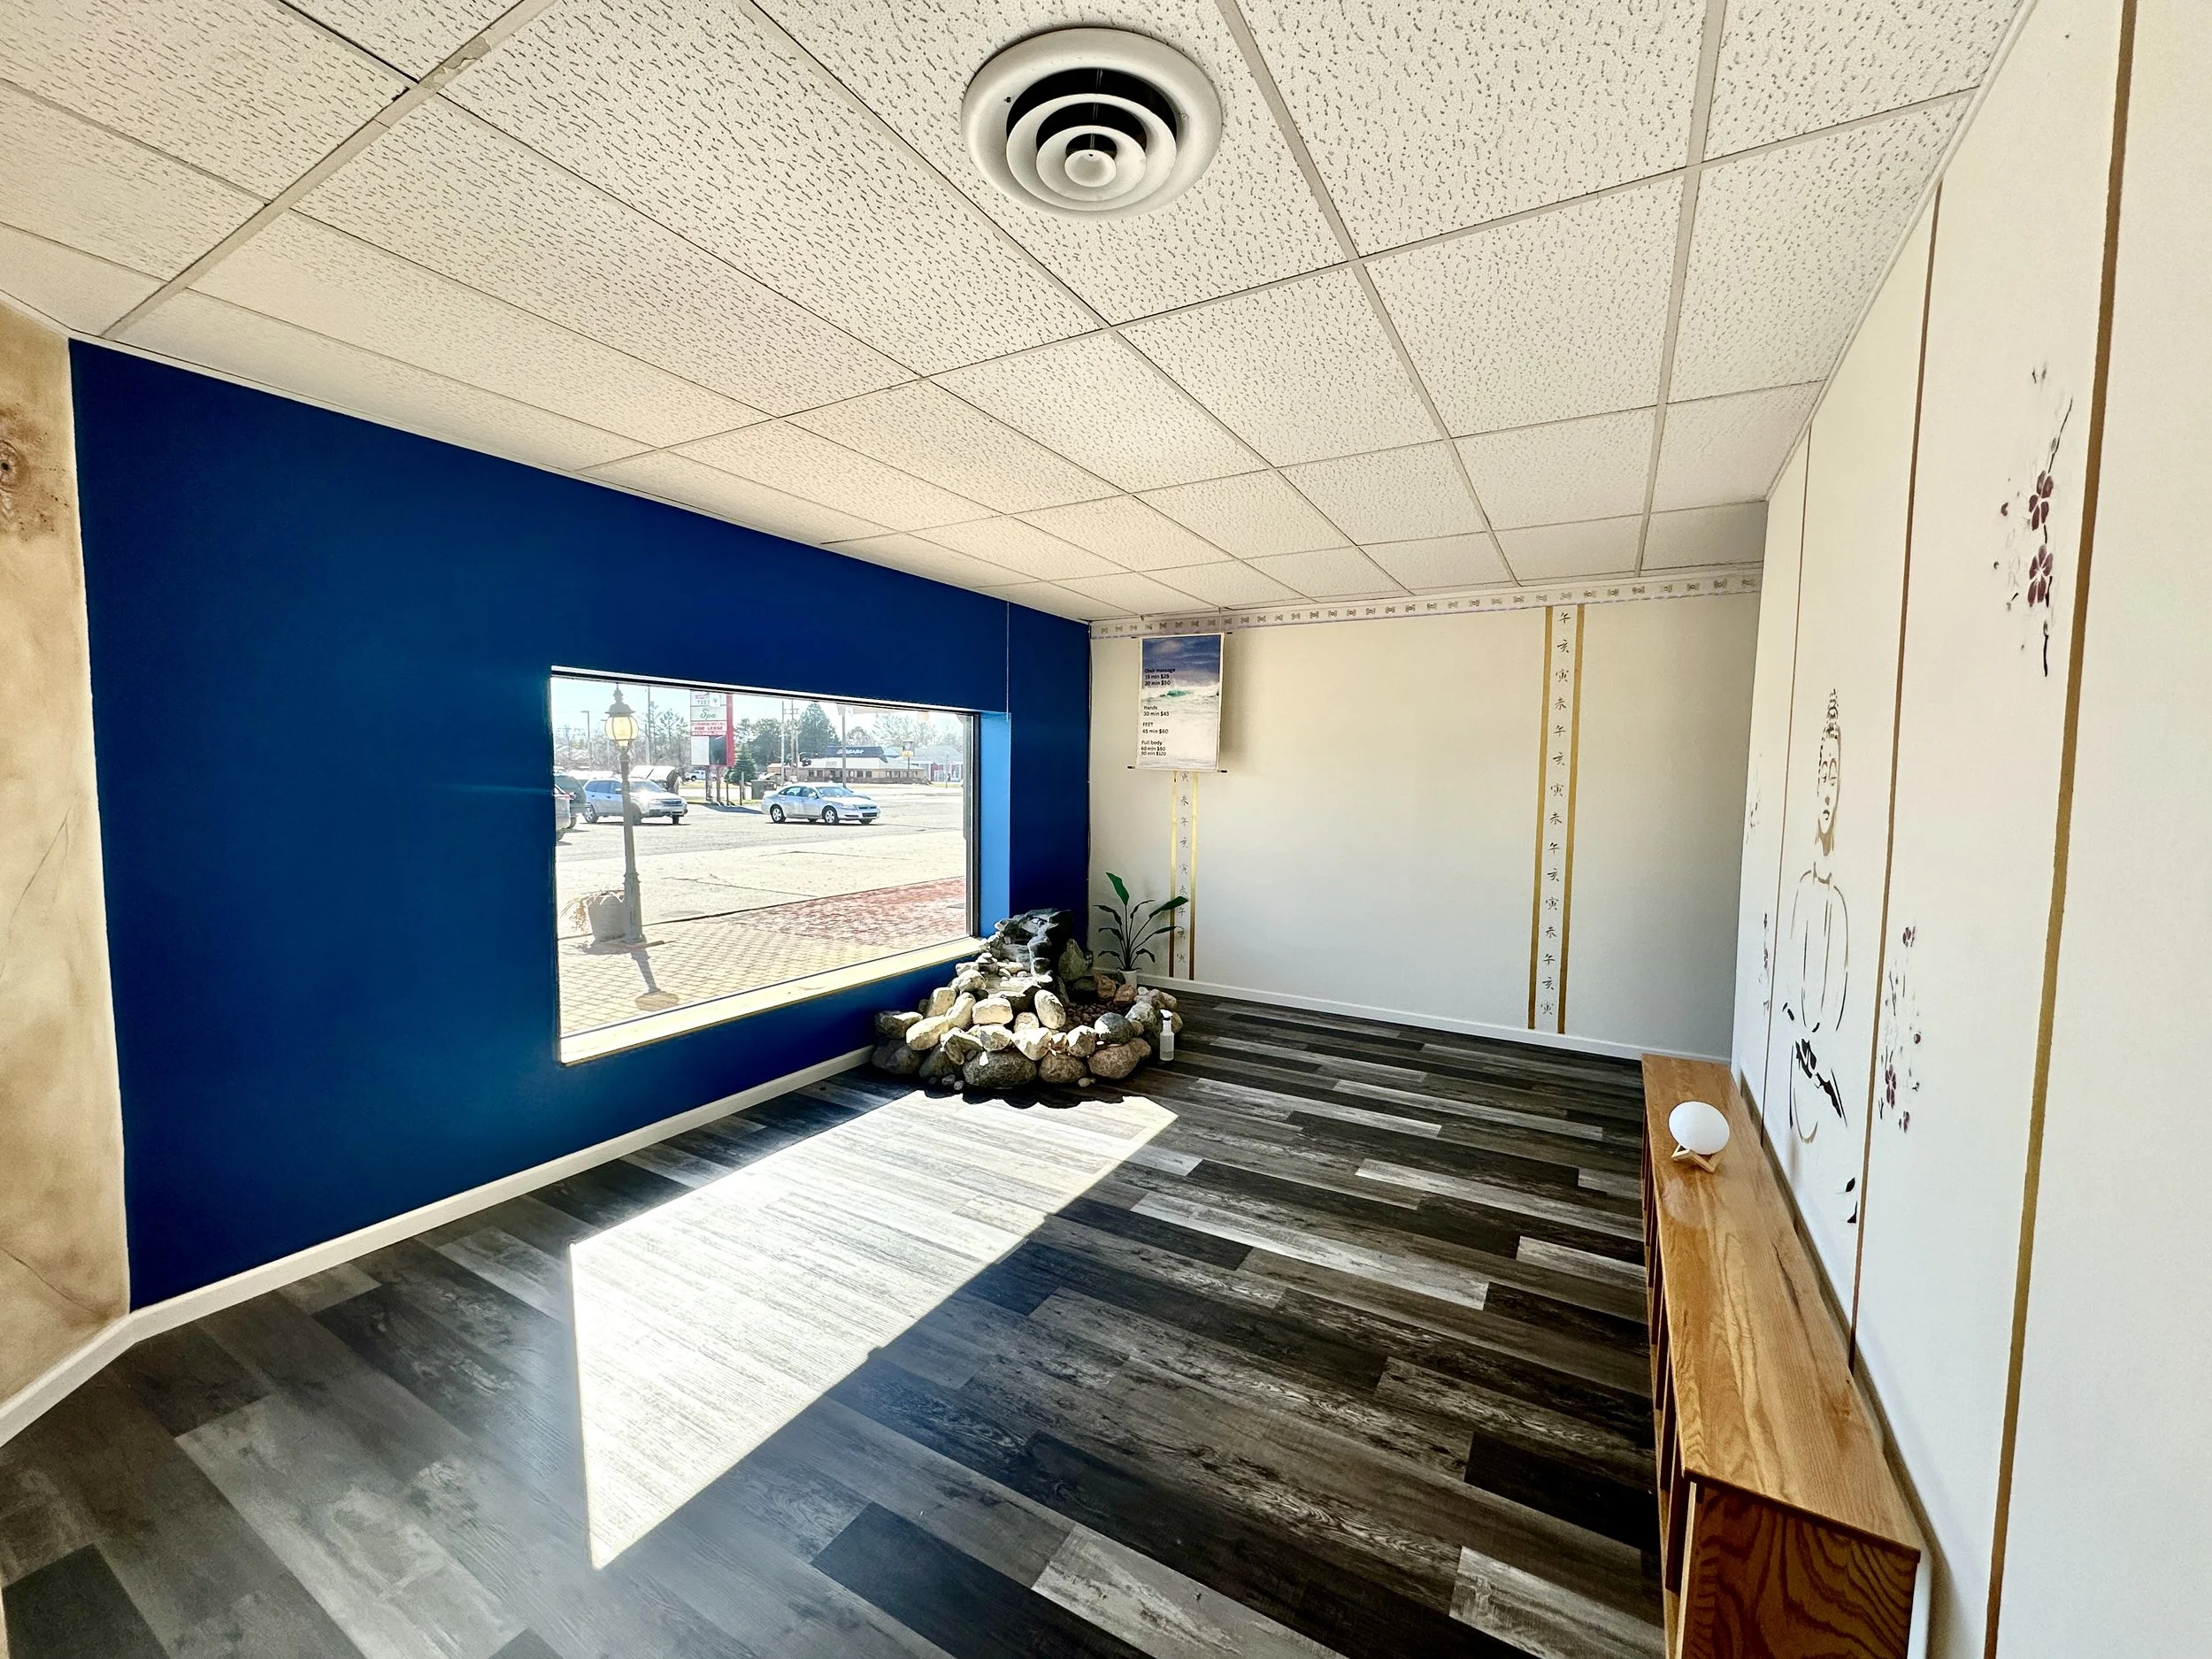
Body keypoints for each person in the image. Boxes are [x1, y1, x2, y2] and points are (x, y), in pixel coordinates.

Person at [1781, 694, 1849, 1143]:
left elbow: (1835, 998)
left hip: (1817, 1060)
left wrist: (1817, 1050)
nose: (1827, 784)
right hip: (1803, 1052)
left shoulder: (1836, 905)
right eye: (1822, 770)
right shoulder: (1804, 889)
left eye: (1833, 773)